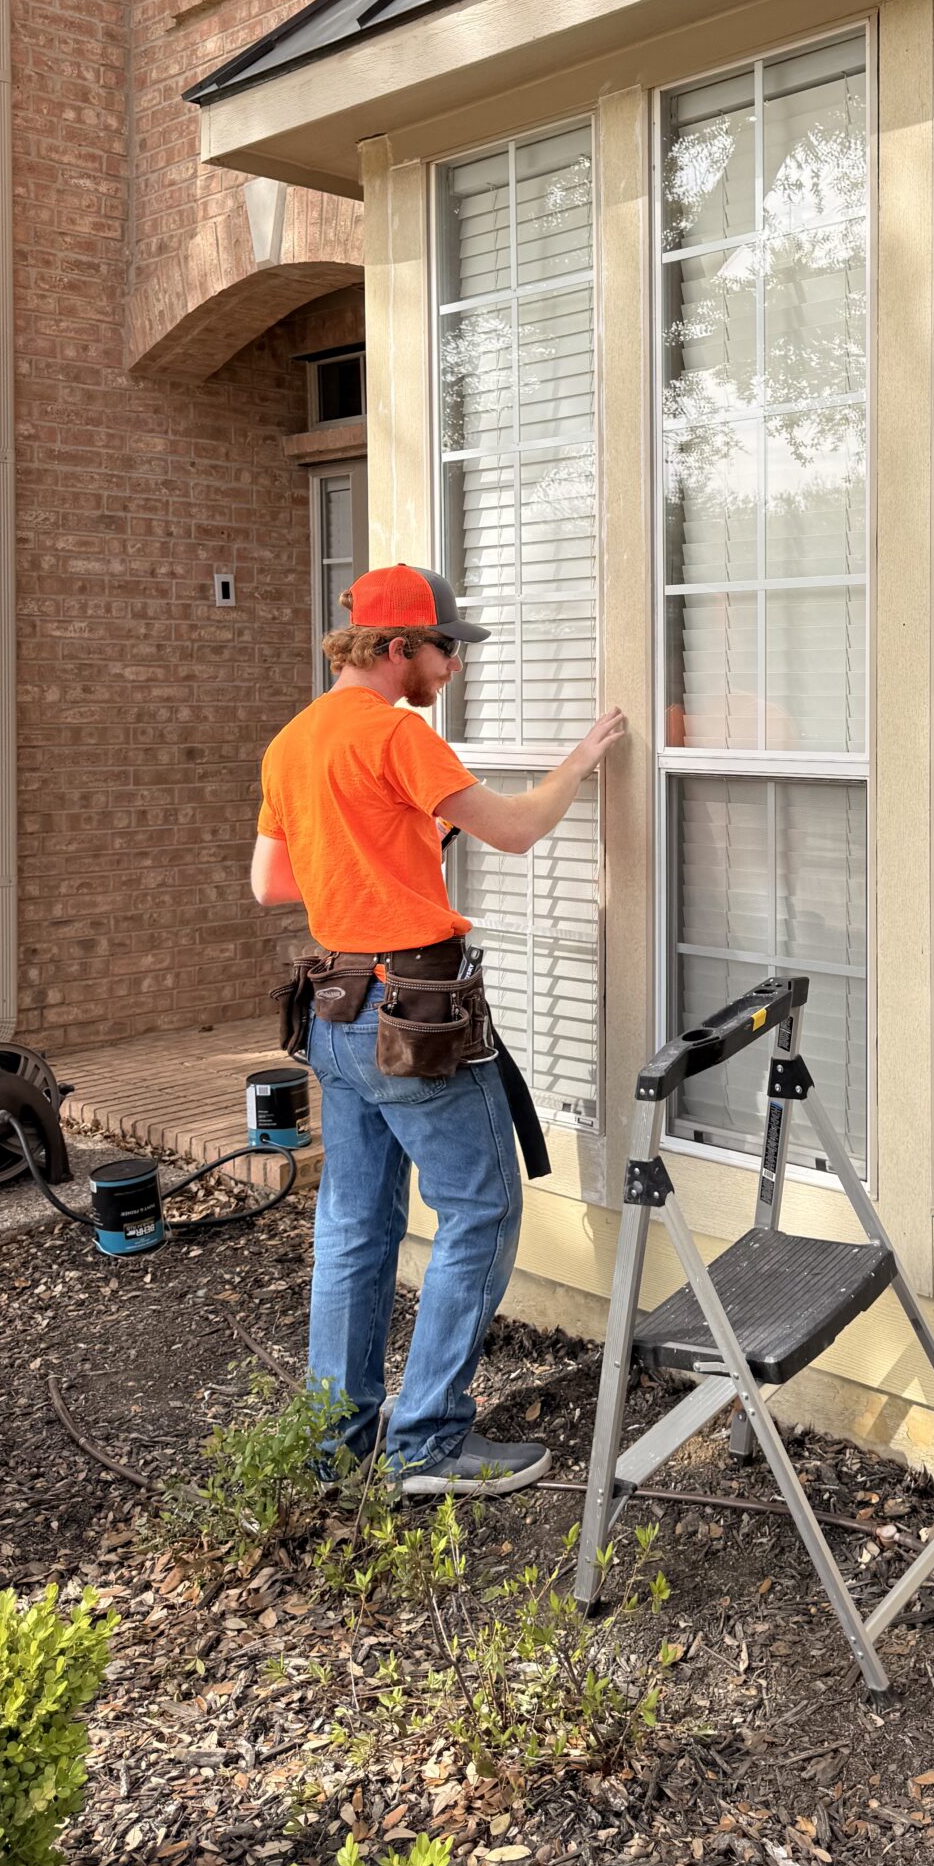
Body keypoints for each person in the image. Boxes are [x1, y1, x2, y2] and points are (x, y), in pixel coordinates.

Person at [250, 562, 624, 1497]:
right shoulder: (396, 734)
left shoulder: (292, 742)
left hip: (335, 1009)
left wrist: (391, 848)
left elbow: (273, 886)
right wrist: (579, 761)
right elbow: (518, 829)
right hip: (413, 1015)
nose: (454, 665)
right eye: (445, 647)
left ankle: (334, 1447)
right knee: (481, 1209)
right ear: (396, 648)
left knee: (353, 1224)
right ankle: (427, 1446)